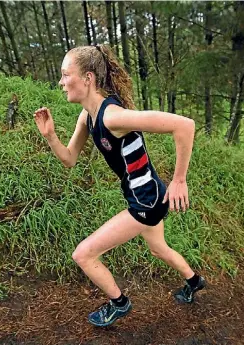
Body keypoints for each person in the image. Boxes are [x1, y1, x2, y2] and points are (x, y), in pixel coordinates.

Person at [33, 44, 205, 327]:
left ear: (88, 78)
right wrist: (51, 136)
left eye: (66, 75)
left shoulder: (113, 117)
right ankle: (194, 281)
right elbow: (69, 159)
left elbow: (184, 125)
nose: (61, 82)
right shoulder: (88, 117)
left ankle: (119, 303)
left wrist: (179, 179)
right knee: (158, 248)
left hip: (145, 201)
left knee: (84, 254)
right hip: (150, 193)